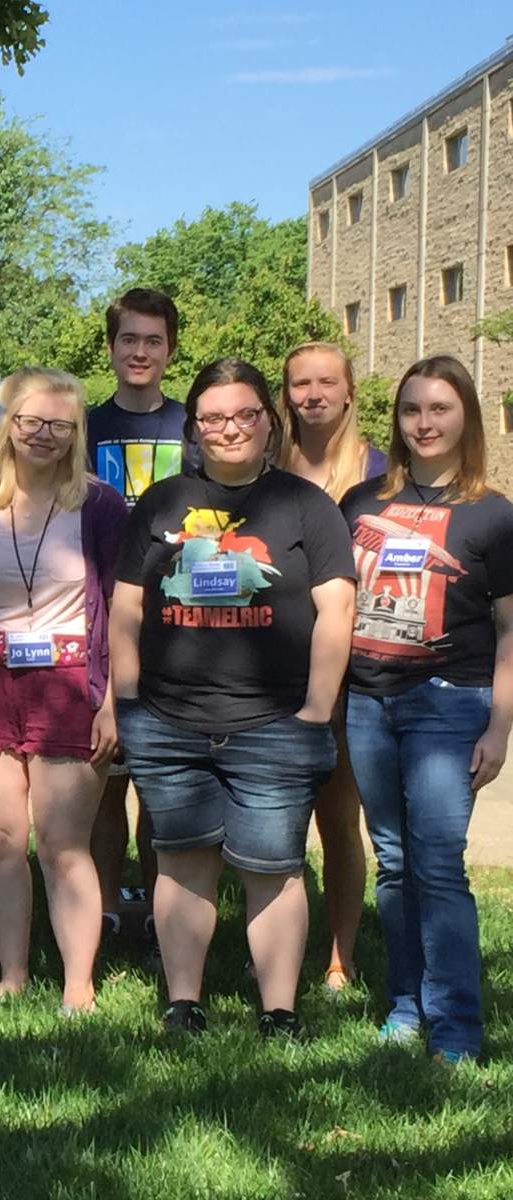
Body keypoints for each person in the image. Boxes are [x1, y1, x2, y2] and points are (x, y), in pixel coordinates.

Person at [109, 358, 355, 1039]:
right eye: (214, 418)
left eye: (246, 414)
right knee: (182, 860)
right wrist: (129, 702)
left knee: (272, 867)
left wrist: (314, 710)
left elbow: (337, 612)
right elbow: (126, 611)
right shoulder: (160, 504)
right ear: (194, 428)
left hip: (276, 720)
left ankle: (279, 1012)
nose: (230, 429)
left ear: (268, 422)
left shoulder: (308, 507)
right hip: (167, 719)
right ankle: (183, 1004)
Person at [341, 356, 513, 1065]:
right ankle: (406, 1004)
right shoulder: (362, 504)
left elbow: (510, 629)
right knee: (392, 860)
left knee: (437, 864)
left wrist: (501, 728)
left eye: (440, 408)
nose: (425, 422)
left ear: (465, 416)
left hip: (449, 703)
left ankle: (455, 1028)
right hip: (367, 701)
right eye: (412, 409)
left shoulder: (493, 514)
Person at [0, 369, 126, 1013]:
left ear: (76, 433)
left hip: (73, 684)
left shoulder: (100, 506)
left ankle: (79, 984)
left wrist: (112, 702)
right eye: (30, 422)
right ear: (8, 426)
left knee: (62, 843)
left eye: (58, 425)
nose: (42, 435)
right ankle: (12, 974)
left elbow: (121, 611)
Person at [277, 341, 388, 994]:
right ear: (286, 393)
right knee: (277, 816)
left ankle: (340, 957)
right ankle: (275, 941)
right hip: (269, 662)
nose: (313, 394)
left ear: (349, 391)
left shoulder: (379, 474)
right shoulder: (265, 464)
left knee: (339, 816)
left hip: (354, 670)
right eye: (299, 384)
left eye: (326, 383)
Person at [85, 287, 188, 963]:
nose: (141, 352)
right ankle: (99, 916)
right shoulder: (85, 428)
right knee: (100, 783)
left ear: (171, 350)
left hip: (177, 628)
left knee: (158, 787)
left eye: (154, 341)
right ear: (112, 347)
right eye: (130, 340)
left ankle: (158, 917)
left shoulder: (194, 426)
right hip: (92, 616)